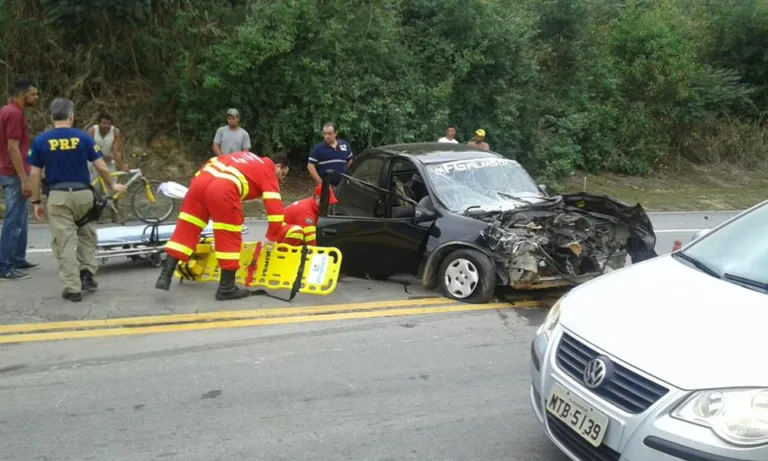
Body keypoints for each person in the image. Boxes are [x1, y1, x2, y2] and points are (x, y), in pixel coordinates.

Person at [154, 152, 305, 301]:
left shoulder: (244, 156)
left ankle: (165, 275)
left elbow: (212, 161)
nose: (282, 179)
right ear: (278, 167)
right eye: (283, 175)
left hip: (199, 183)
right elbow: (275, 209)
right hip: (223, 189)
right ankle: (226, 288)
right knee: (228, 236)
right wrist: (273, 236)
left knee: (186, 229)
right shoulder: (268, 171)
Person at [27, 98, 127, 302]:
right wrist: (112, 185)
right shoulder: (84, 138)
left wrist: (36, 202)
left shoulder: (40, 141)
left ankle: (73, 288)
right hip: (84, 195)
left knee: (64, 243)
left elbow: (35, 175)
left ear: (52, 116)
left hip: (58, 196)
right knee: (87, 235)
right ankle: (87, 274)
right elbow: (101, 167)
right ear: (72, 116)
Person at [0, 78, 40, 281]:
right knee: (13, 220)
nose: (36, 98)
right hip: (13, 173)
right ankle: (5, 266)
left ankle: (17, 258)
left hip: (11, 171)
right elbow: (12, 148)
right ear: (23, 94)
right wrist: (24, 179)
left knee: (21, 219)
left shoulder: (9, 111)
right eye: (33, 94)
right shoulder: (14, 113)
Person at [87, 112, 127, 223]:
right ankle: (96, 216)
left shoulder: (115, 132)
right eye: (103, 123)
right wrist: (100, 155)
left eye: (108, 124)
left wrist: (122, 166)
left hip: (109, 164)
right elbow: (89, 147)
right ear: (99, 123)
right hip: (93, 163)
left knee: (114, 188)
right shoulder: (92, 131)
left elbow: (116, 150)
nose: (106, 126)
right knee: (96, 190)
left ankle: (115, 216)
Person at [307, 122, 353, 187]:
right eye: (325, 133)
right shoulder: (318, 149)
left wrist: (348, 178)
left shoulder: (344, 145)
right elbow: (310, 166)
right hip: (326, 188)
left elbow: (350, 162)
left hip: (343, 187)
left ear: (335, 133)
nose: (327, 136)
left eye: (329, 133)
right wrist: (321, 183)